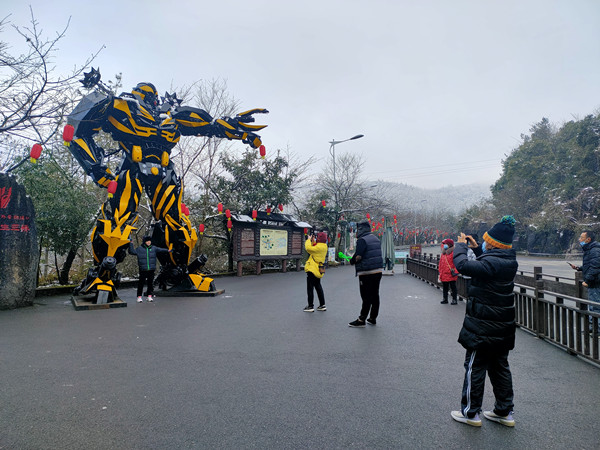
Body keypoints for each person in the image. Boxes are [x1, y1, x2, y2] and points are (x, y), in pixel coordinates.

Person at [450, 216, 519, 428]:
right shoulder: (509, 260)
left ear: (493, 243)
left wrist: (460, 246)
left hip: (483, 326)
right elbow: (488, 265)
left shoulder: (491, 263)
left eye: (487, 241)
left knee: (475, 366)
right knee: (500, 367)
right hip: (502, 327)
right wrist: (476, 248)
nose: (484, 243)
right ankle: (504, 412)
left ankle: (470, 413)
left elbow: (462, 265)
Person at [348, 221, 384, 327]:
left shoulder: (362, 240)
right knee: (375, 294)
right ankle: (373, 318)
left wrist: (352, 261)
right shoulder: (376, 238)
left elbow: (358, 256)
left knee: (366, 296)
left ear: (361, 229)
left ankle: (361, 319)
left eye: (357, 229)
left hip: (367, 272)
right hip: (378, 270)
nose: (356, 232)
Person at [568, 230, 600, 328]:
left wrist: (587, 280)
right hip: (594, 282)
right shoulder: (590, 249)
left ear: (588, 239)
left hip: (595, 282)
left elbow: (595, 267)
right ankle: (592, 327)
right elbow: (589, 265)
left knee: (595, 306)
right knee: (592, 305)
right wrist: (578, 268)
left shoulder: (594, 250)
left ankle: (597, 329)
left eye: (582, 237)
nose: (579, 239)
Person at [129, 236, 171, 303]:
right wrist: (130, 243)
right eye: (147, 241)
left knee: (150, 283)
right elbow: (132, 252)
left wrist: (168, 250)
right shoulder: (139, 249)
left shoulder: (154, 248)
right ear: (144, 242)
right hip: (143, 269)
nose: (149, 242)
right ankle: (139, 297)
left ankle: (149, 296)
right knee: (141, 283)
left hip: (151, 269)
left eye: (149, 241)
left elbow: (161, 250)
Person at [303, 232, 328, 312]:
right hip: (320, 267)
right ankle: (322, 304)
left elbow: (308, 248)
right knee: (318, 286)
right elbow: (315, 247)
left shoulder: (318, 247)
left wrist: (308, 240)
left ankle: (310, 306)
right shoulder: (324, 246)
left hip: (313, 268)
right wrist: (313, 241)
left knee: (310, 288)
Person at [438, 238, 459, 305]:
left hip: (451, 273)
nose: (444, 245)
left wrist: (455, 271)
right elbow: (440, 263)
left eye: (445, 244)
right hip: (444, 273)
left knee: (453, 287)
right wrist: (440, 271)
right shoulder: (443, 253)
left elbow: (456, 263)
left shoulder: (453, 253)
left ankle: (454, 299)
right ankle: (445, 299)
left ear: (449, 245)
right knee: (445, 287)